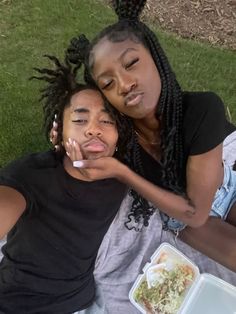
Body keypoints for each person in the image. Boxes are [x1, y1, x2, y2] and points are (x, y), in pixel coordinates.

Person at [51, 0, 236, 272]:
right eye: (108, 83)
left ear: (155, 55)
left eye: (132, 63)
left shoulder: (203, 109)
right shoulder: (118, 135)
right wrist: (63, 135)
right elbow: (194, 219)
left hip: (226, 191)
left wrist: (123, 173)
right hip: (183, 221)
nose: (125, 84)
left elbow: (196, 209)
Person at [0, 54, 128, 313]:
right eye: (80, 120)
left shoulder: (123, 172)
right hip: (17, 302)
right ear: (58, 132)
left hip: (78, 301)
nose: (94, 129)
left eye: (107, 120)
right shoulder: (30, 175)